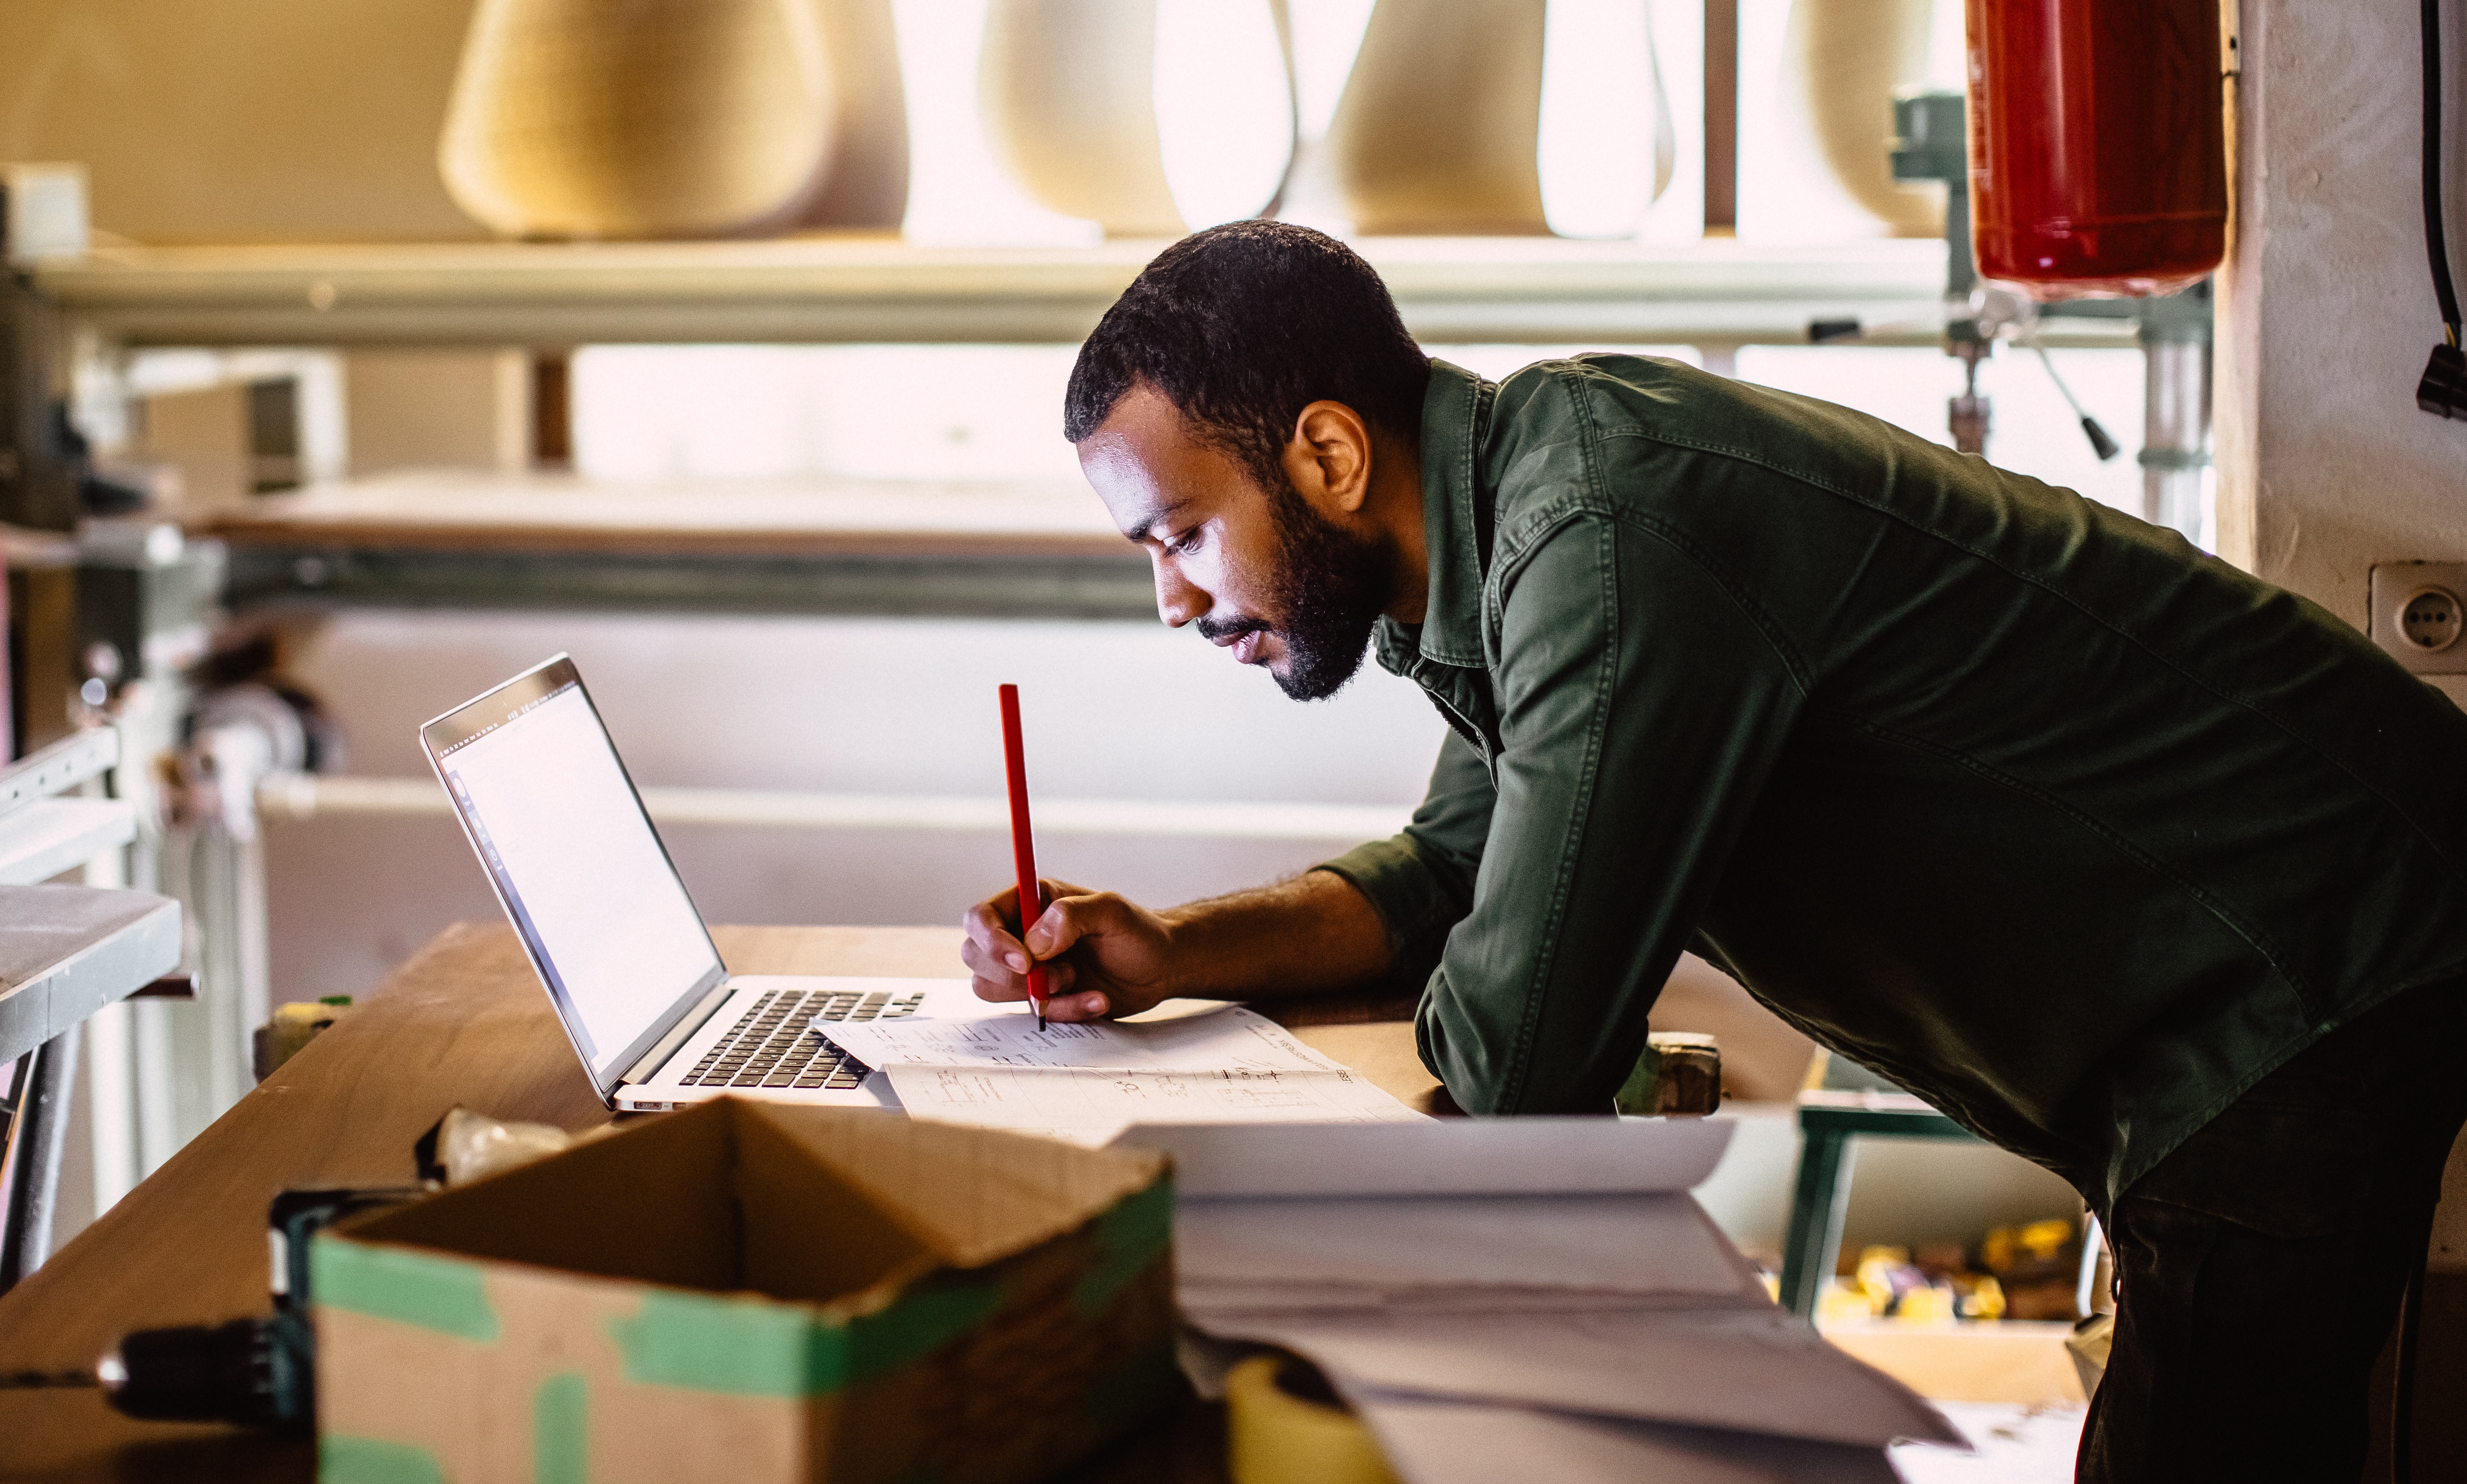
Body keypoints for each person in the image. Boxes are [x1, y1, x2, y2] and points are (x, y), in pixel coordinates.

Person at [960, 220, 2467, 1481]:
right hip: (2267, 964)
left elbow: (1520, 1050)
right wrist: (1174, 949)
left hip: (2303, 965)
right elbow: (1445, 872)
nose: (1172, 599)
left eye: (1178, 533)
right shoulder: (1529, 512)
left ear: (1332, 455)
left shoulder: (1605, 541)